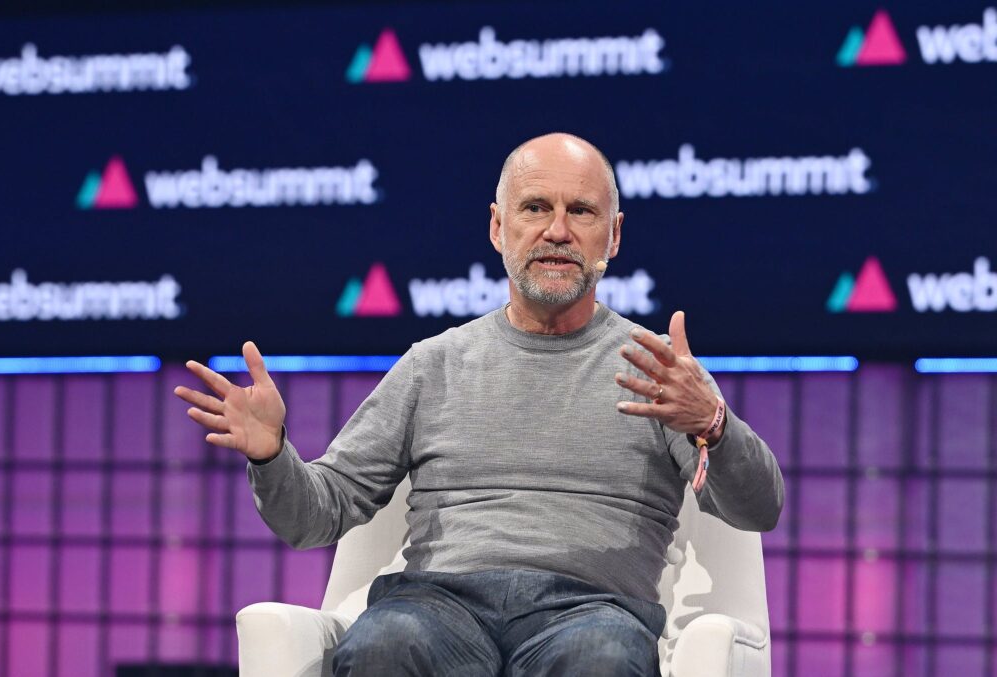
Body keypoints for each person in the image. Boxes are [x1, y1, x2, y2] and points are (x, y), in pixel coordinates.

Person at [174, 133, 784, 676]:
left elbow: (759, 508)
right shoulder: (431, 364)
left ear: (614, 235)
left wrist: (715, 424)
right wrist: (273, 456)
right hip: (438, 607)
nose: (558, 231)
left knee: (601, 660)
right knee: (384, 644)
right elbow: (316, 516)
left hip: (593, 610)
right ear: (498, 228)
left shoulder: (659, 371)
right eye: (536, 208)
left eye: (581, 211)